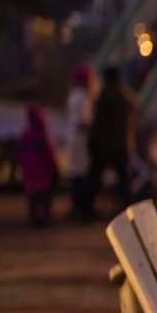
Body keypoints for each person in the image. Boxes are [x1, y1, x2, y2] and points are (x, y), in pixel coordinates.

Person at [87, 65, 136, 216]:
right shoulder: (126, 96)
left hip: (106, 146)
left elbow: (99, 124)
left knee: (94, 177)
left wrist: (93, 143)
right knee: (123, 180)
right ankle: (128, 210)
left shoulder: (105, 96)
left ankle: (88, 209)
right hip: (122, 145)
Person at [16, 105, 58, 226]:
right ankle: (45, 216)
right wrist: (54, 168)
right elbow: (50, 155)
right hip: (43, 175)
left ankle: (34, 217)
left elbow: (20, 154)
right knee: (45, 198)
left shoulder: (25, 135)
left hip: (30, 175)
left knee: (33, 199)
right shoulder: (42, 136)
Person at [64, 65, 94, 218]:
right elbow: (84, 121)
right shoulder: (83, 97)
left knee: (75, 172)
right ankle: (80, 208)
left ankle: (77, 207)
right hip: (80, 139)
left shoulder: (73, 95)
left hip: (74, 138)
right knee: (81, 174)